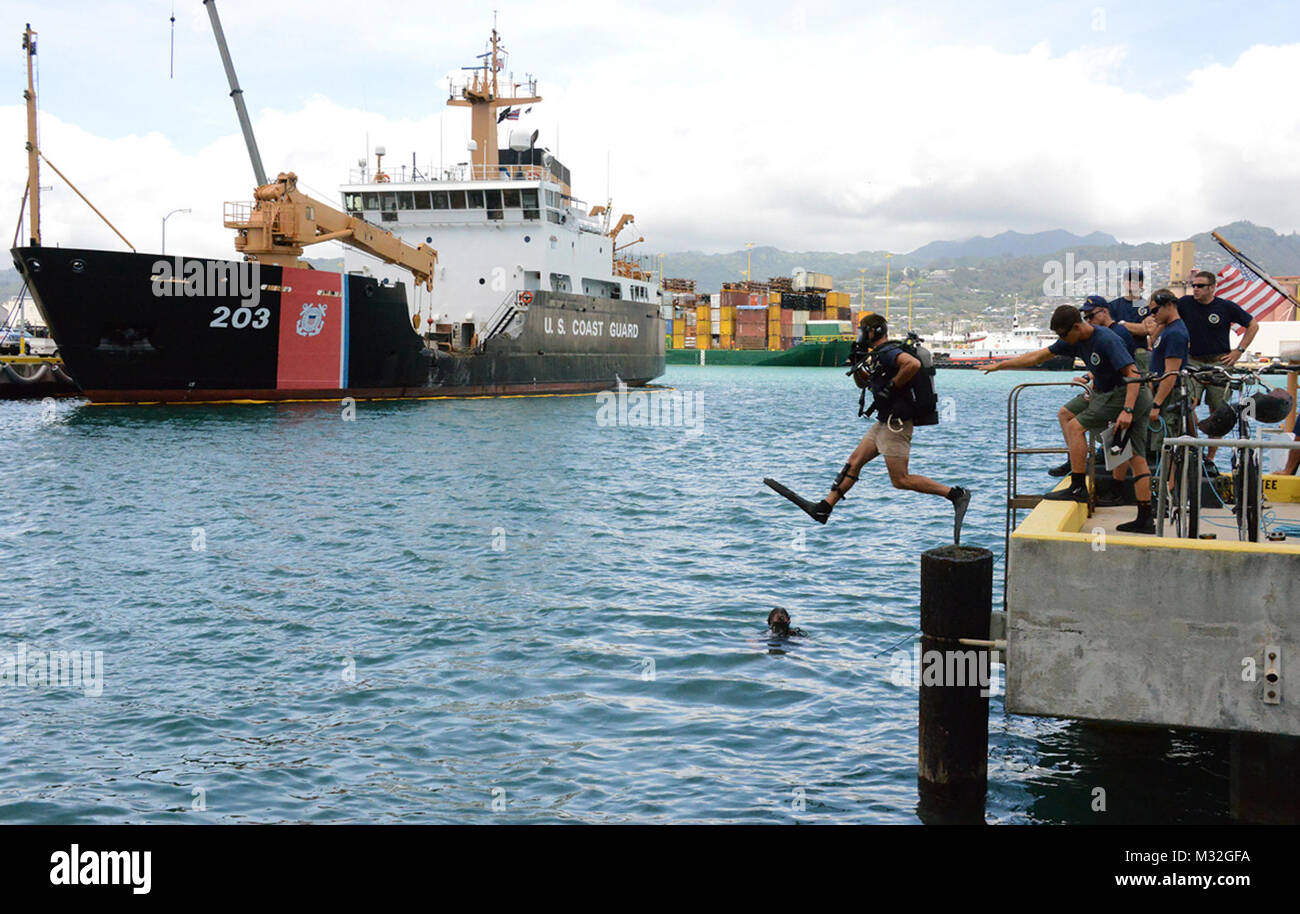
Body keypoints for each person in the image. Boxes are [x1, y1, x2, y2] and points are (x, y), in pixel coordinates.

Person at [764, 313, 971, 543]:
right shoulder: (877, 355)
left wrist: (891, 387)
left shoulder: (889, 352)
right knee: (855, 460)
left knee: (900, 480)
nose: (861, 334)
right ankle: (824, 508)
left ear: (876, 332)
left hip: (896, 424)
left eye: (864, 330)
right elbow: (863, 383)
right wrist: (856, 363)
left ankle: (955, 495)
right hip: (884, 421)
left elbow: (912, 364)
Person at [983, 303, 1156, 533]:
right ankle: (1145, 519)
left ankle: (1077, 485)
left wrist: (1128, 410)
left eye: (1063, 334)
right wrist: (1001, 366)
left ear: (1077, 326)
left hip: (1126, 393)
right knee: (1136, 457)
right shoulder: (1073, 339)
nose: (1061, 339)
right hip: (1124, 395)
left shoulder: (1106, 339)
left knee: (1075, 427)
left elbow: (1133, 373)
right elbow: (1038, 356)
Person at [1178, 270, 1260, 472]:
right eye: (1193, 285)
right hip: (1193, 361)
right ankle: (1196, 446)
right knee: (1187, 404)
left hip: (1219, 363)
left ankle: (1210, 458)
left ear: (1212, 287)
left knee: (1219, 412)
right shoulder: (1185, 303)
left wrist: (1238, 352)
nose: (1195, 289)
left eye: (1200, 286)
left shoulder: (1225, 307)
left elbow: (1253, 325)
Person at [1145, 288, 1192, 460]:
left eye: (1156, 310)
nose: (1153, 315)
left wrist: (1156, 404)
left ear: (1170, 305)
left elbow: (1171, 373)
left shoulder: (1175, 334)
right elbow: (1151, 342)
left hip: (1168, 396)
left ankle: (1169, 485)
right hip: (1159, 391)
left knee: (1166, 447)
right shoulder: (1167, 330)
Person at [1108, 267, 1153, 373]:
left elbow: (1145, 330)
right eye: (1128, 280)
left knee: (1143, 382)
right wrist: (1135, 327)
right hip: (1118, 352)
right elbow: (1111, 330)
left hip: (1139, 352)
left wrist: (1122, 324)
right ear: (1124, 282)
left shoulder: (1147, 306)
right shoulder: (1113, 306)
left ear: (1141, 284)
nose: (1131, 283)